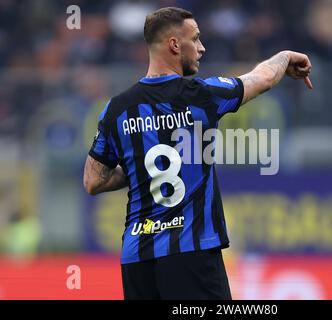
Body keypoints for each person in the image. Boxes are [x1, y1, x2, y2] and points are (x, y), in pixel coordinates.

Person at [83, 7, 312, 300]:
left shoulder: (116, 109)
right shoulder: (202, 95)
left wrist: (138, 165)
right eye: (196, 39)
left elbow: (93, 181)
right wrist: (286, 57)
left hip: (137, 257)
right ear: (175, 45)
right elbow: (262, 78)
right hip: (191, 255)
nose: (202, 48)